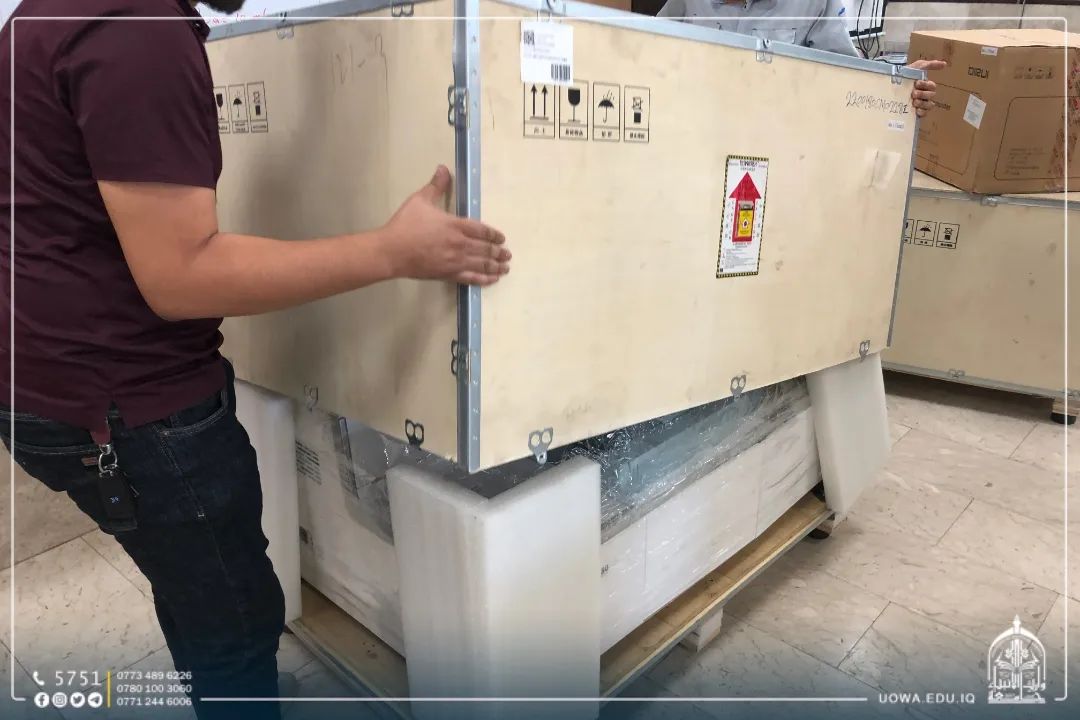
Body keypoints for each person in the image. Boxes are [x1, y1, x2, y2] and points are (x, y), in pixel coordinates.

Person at [0, 0, 509, 718]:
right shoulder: (133, 33)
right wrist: (393, 251)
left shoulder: (58, 15)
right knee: (234, 609)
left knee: (191, 579)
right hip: (123, 405)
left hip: (54, 382)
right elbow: (180, 278)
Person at [657, 0, 944, 116]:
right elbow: (650, 49)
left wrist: (901, 86)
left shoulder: (812, 3)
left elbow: (848, 76)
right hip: (696, 128)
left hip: (774, 144)